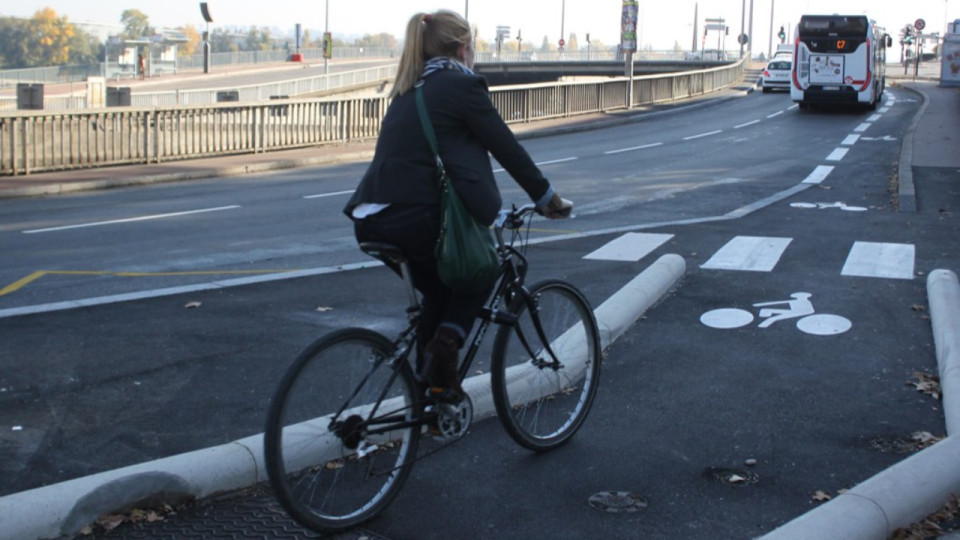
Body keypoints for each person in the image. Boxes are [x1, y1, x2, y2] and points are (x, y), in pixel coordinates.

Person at [343, 9, 572, 403]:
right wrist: (547, 198)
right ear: (464, 47)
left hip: (370, 219)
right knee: (481, 270)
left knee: (442, 295)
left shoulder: (407, 90)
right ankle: (444, 355)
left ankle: (428, 396)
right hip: (416, 217)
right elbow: (506, 147)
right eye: (474, 47)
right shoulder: (459, 86)